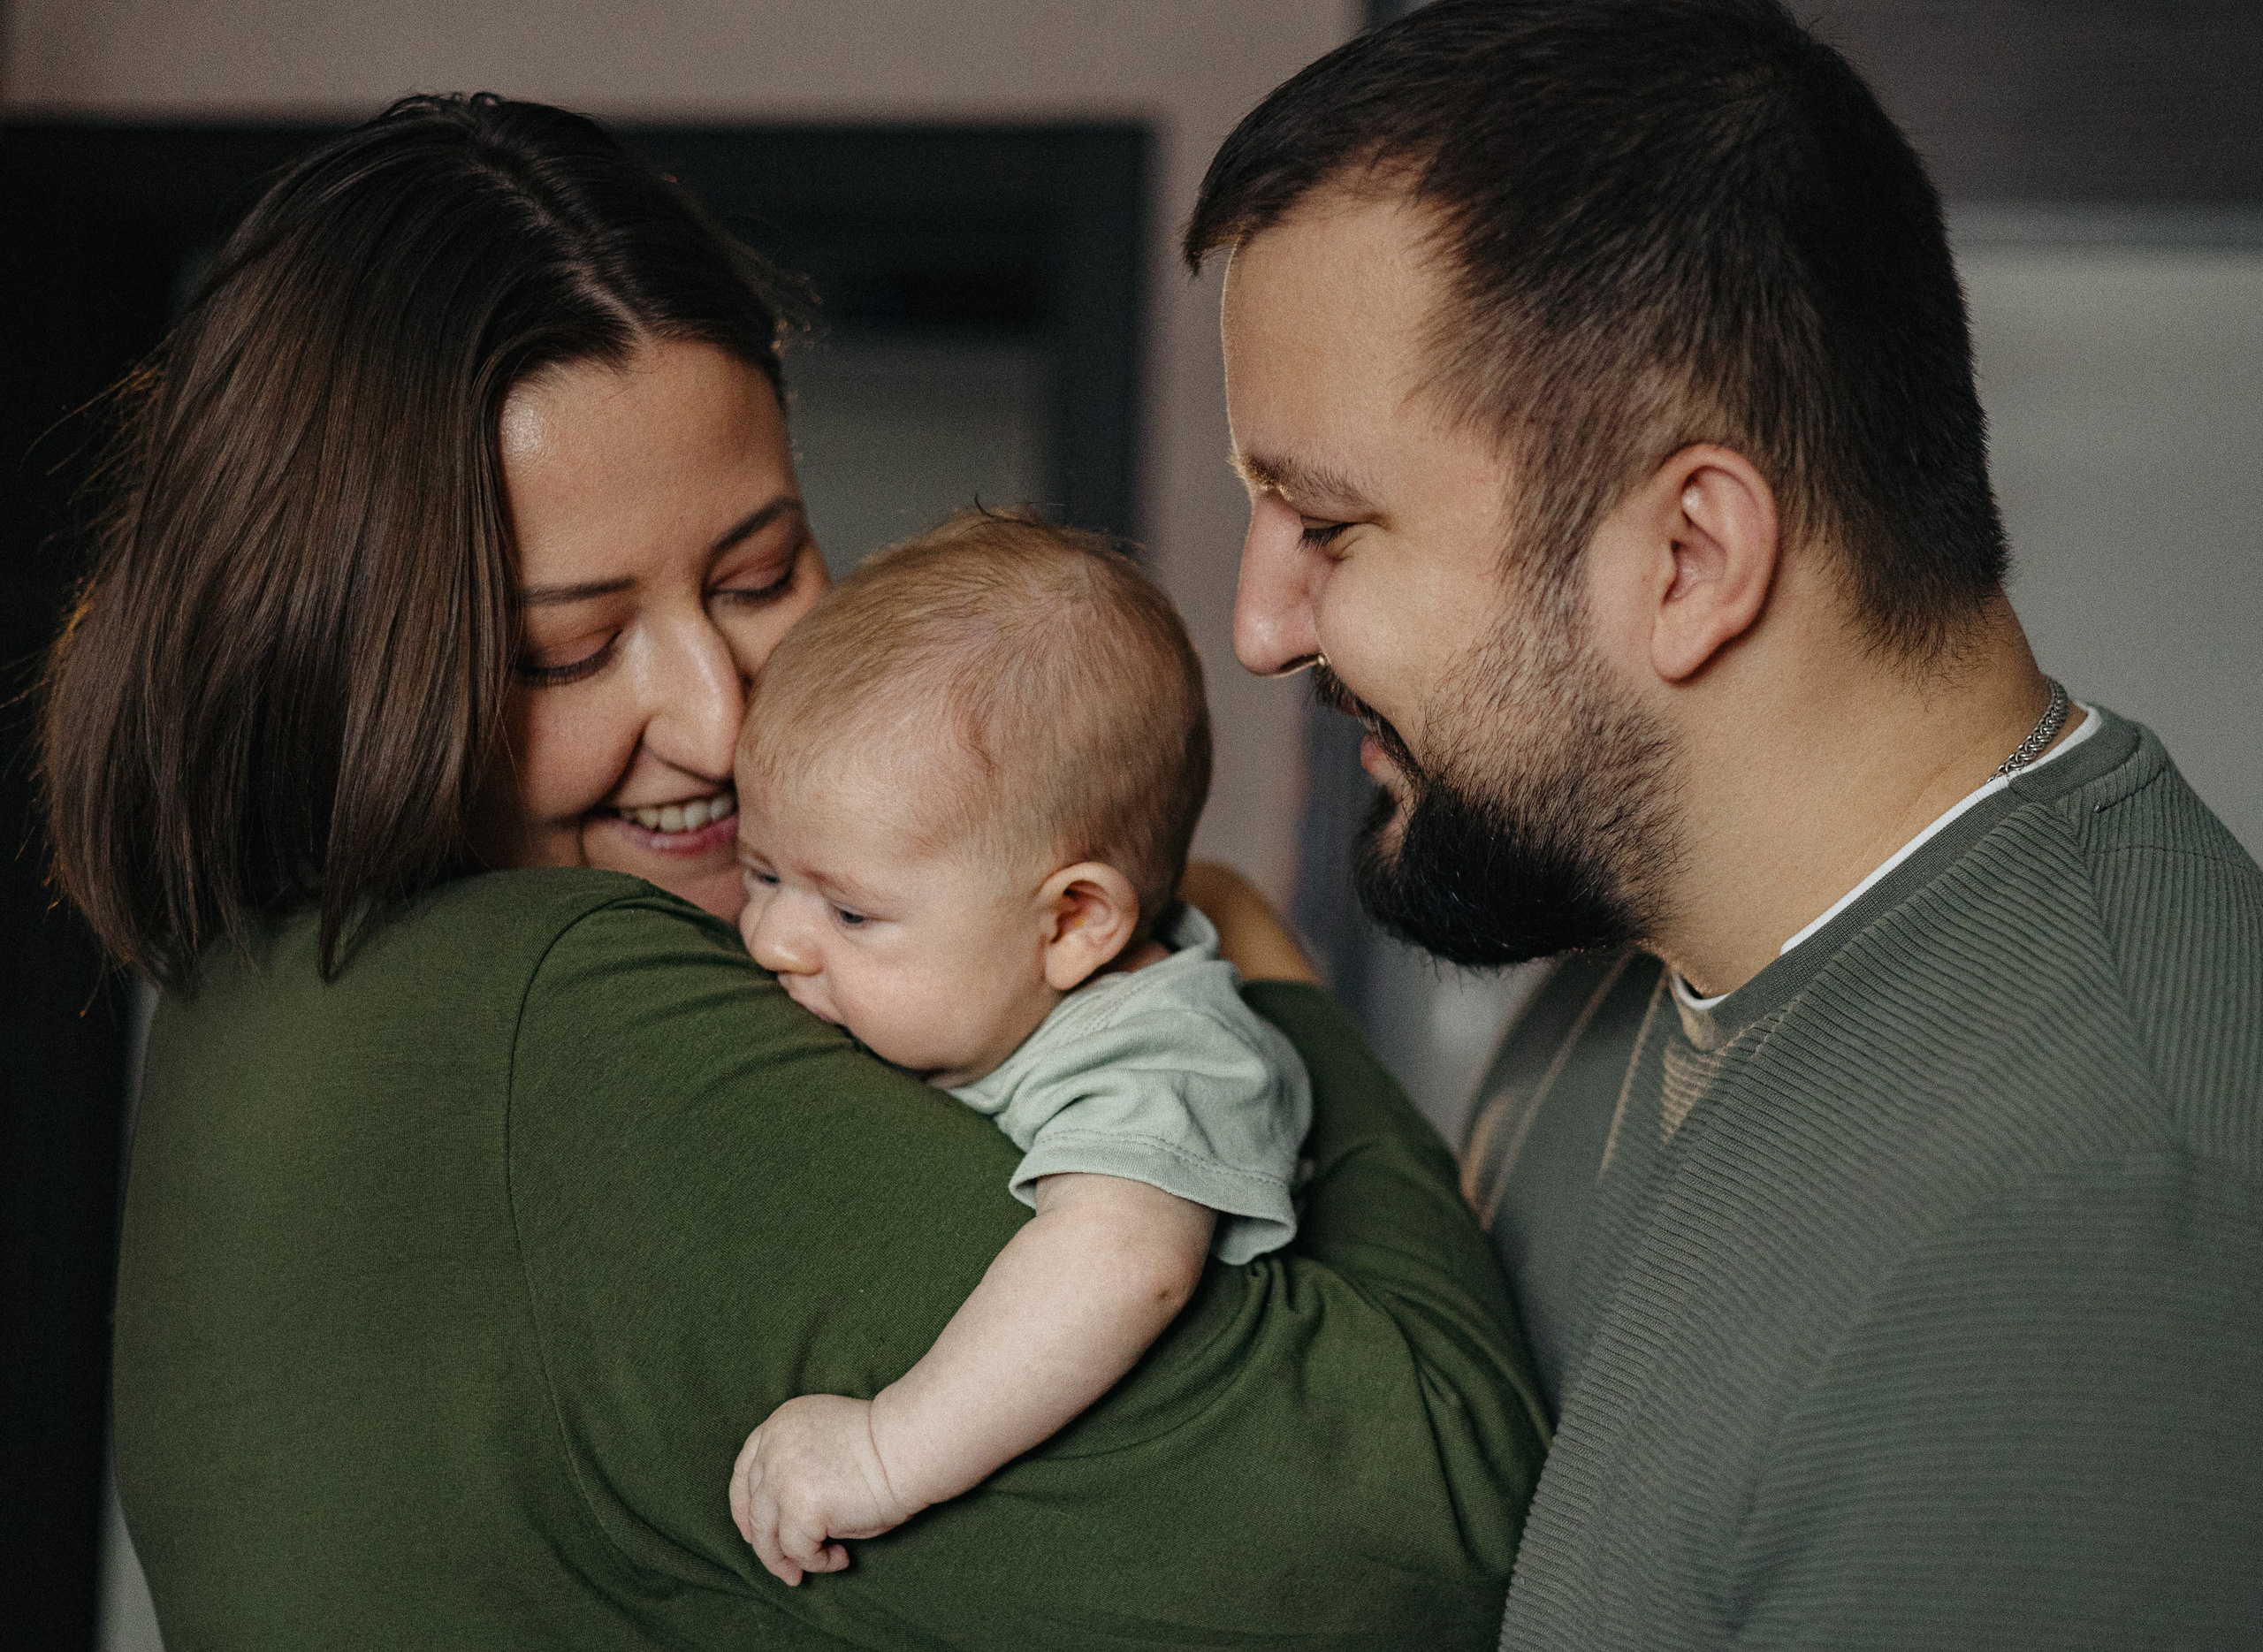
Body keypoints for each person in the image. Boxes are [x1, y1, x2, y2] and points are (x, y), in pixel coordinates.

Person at [39, 95, 1547, 1648]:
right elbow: (1443, 1527)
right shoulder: (570, 1022)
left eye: (759, 573)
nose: (718, 708)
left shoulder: (276, 1012)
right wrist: (1234, 963)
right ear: (352, 664)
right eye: (571, 649)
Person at [1187, 2, 2263, 1648]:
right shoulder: (1609, 970)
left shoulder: (2097, 1233)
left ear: (1689, 555)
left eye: (1327, 523)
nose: (1261, 626)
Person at [727, 512, 1310, 1584]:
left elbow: (1122, 1264)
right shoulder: (972, 986)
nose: (772, 938)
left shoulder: (1158, 1055)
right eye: (760, 873)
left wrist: (887, 1449)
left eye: (849, 915)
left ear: (1072, 923)